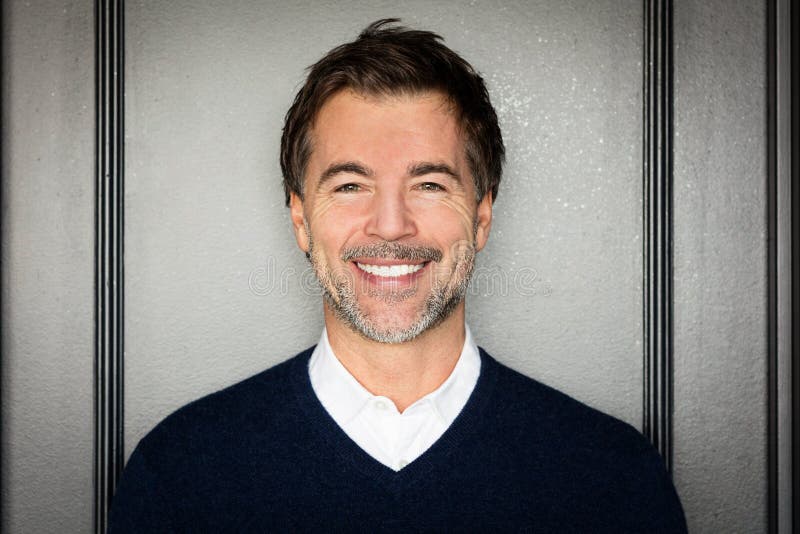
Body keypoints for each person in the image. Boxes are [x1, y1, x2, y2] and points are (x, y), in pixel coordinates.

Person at [109, 19, 687, 532]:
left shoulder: (613, 479)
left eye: (430, 185)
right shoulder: (180, 474)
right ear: (301, 219)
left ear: (482, 216)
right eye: (350, 186)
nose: (390, 227)